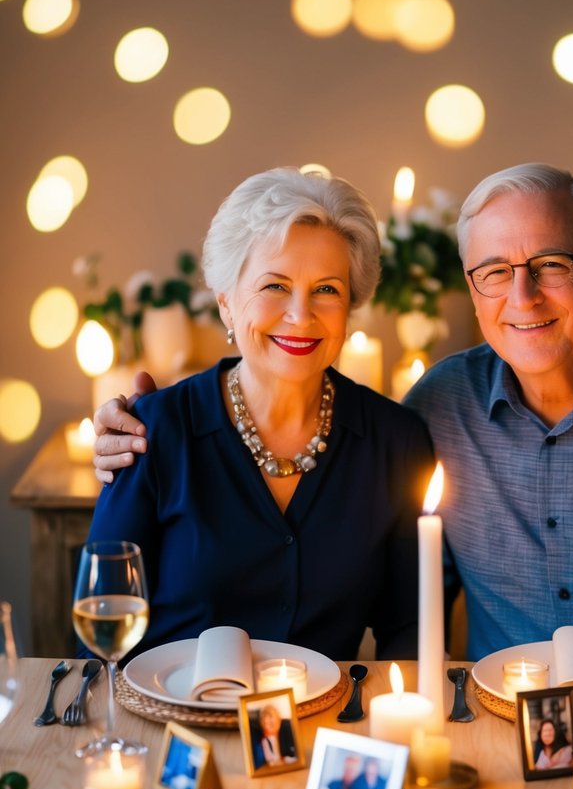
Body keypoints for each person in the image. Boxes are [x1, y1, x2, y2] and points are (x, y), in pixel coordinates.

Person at [92, 163, 573, 662]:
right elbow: (102, 613)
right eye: (494, 274)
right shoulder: (437, 410)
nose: (521, 298)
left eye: (550, 266)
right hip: (493, 731)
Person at [84, 168, 434, 661]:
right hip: (169, 724)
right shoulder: (152, 432)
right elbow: (100, 624)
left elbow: (411, 631)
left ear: (351, 306)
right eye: (275, 285)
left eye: (327, 289)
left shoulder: (396, 442)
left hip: (323, 728)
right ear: (226, 303)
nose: (300, 314)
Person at [251, 703, 296, 768]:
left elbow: (296, 757)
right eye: (265, 723)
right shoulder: (266, 740)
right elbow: (271, 762)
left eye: (271, 717)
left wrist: (283, 760)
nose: (268, 725)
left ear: (278, 717)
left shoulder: (288, 727)